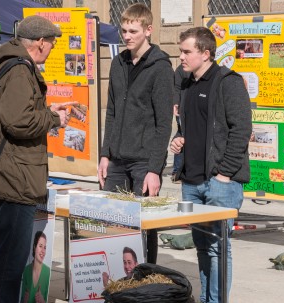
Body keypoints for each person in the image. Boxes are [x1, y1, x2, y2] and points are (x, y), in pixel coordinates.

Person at [0, 15, 71, 303]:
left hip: (6, 174)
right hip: (16, 178)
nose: (53, 49)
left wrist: (46, 109)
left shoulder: (9, 64)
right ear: (41, 43)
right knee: (9, 264)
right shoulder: (20, 70)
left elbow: (18, 112)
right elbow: (18, 121)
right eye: (52, 44)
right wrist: (54, 118)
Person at [170, 27, 251, 303]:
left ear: (206, 54)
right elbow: (190, 127)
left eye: (186, 51)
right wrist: (178, 140)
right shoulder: (186, 84)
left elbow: (242, 130)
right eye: (180, 51)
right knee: (202, 248)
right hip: (191, 181)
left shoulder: (228, 82)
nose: (180, 56)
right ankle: (206, 298)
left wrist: (225, 174)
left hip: (219, 182)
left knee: (218, 249)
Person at [97, 3, 173, 264]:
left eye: (133, 31)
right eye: (124, 30)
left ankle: (145, 276)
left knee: (144, 226)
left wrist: (155, 168)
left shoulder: (161, 68)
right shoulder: (118, 63)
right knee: (111, 222)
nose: (127, 36)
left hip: (143, 161)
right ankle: (116, 278)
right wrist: (105, 154)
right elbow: (111, 112)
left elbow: (164, 124)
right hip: (117, 159)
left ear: (148, 30)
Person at [21, 231, 50, 303]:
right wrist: (24, 301)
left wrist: (42, 301)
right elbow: (21, 300)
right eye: (40, 246)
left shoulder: (48, 272)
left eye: (45, 247)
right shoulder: (26, 271)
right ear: (34, 247)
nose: (43, 251)